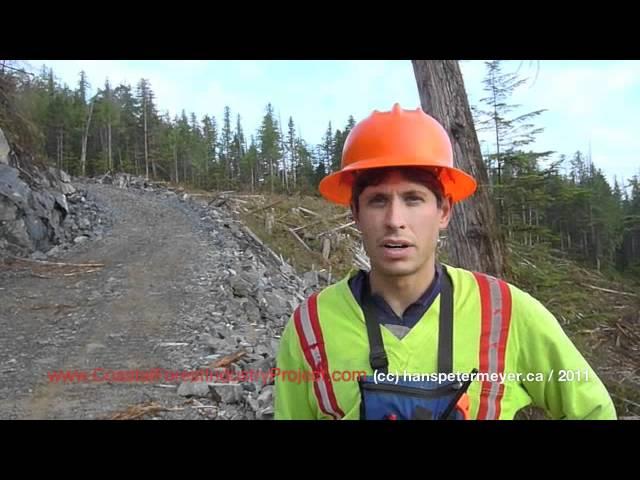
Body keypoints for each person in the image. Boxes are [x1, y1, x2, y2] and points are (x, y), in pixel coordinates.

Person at [273, 103, 616, 420]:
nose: (395, 219)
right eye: (378, 200)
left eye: (413, 199)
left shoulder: (506, 313)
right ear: (356, 214)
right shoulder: (312, 326)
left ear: (444, 212)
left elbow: (593, 410)